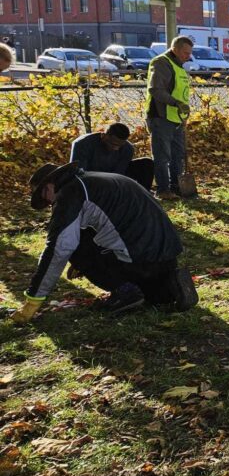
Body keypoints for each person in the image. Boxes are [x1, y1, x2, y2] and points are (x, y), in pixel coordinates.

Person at [7, 162, 198, 323]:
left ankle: (126, 292)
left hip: (140, 258)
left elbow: (58, 248)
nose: (49, 204)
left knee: (72, 246)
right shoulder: (97, 179)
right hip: (166, 252)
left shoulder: (70, 193)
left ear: (49, 186)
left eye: (45, 198)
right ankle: (168, 284)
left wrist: (33, 300)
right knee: (157, 298)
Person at [145, 36, 193, 200]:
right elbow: (155, 90)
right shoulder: (161, 63)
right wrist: (176, 103)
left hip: (176, 118)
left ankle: (177, 186)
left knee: (177, 155)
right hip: (161, 117)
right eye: (185, 53)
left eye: (189, 53)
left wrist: (183, 111)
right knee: (162, 156)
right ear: (175, 49)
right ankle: (163, 190)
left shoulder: (178, 66)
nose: (188, 56)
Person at [70, 123, 155, 191]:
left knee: (146, 163)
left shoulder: (127, 148)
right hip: (90, 177)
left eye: (119, 145)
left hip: (112, 177)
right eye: (112, 144)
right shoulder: (83, 144)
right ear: (103, 135)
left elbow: (119, 173)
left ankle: (143, 195)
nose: (116, 148)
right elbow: (79, 173)